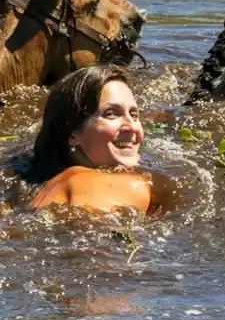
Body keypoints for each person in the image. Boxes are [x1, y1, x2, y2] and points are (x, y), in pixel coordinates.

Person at [24, 65, 162, 213]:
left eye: (134, 115)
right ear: (72, 134)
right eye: (111, 114)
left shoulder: (36, 181)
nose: (132, 127)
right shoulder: (130, 187)